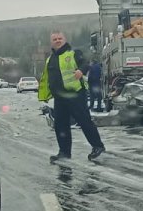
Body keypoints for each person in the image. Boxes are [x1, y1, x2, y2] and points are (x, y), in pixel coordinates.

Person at [38, 31, 106, 163]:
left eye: (60, 38)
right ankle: (64, 152)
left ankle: (98, 146)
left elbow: (85, 63)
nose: (58, 41)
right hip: (59, 98)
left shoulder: (74, 53)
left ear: (65, 39)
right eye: (55, 39)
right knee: (60, 125)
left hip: (75, 94)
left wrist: (81, 70)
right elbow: (47, 78)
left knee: (84, 121)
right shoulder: (50, 59)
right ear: (51, 42)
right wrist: (45, 94)